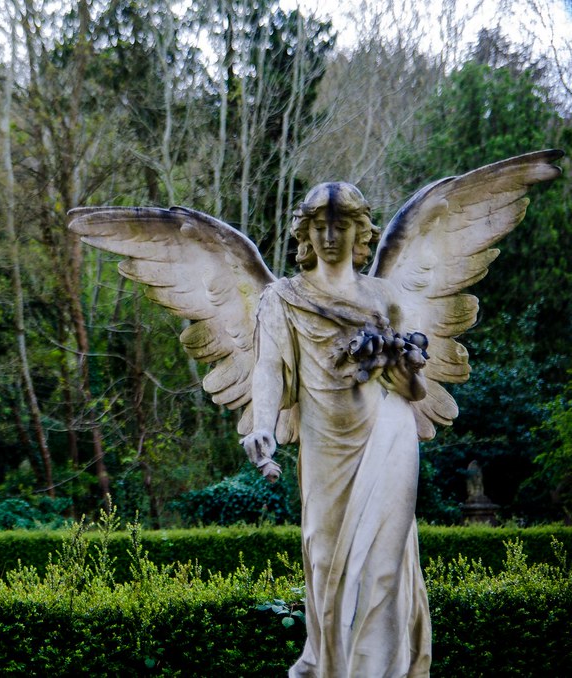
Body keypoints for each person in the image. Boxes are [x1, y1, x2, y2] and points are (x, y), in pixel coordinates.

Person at [242, 182, 432, 677]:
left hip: (385, 438)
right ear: (305, 233)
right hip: (325, 445)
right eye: (320, 226)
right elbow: (269, 367)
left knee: (386, 563)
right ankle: (332, 668)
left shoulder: (383, 297)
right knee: (326, 560)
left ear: (360, 232)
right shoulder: (283, 298)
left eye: (341, 225)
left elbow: (414, 387)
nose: (329, 237)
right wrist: (263, 425)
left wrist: (403, 371)